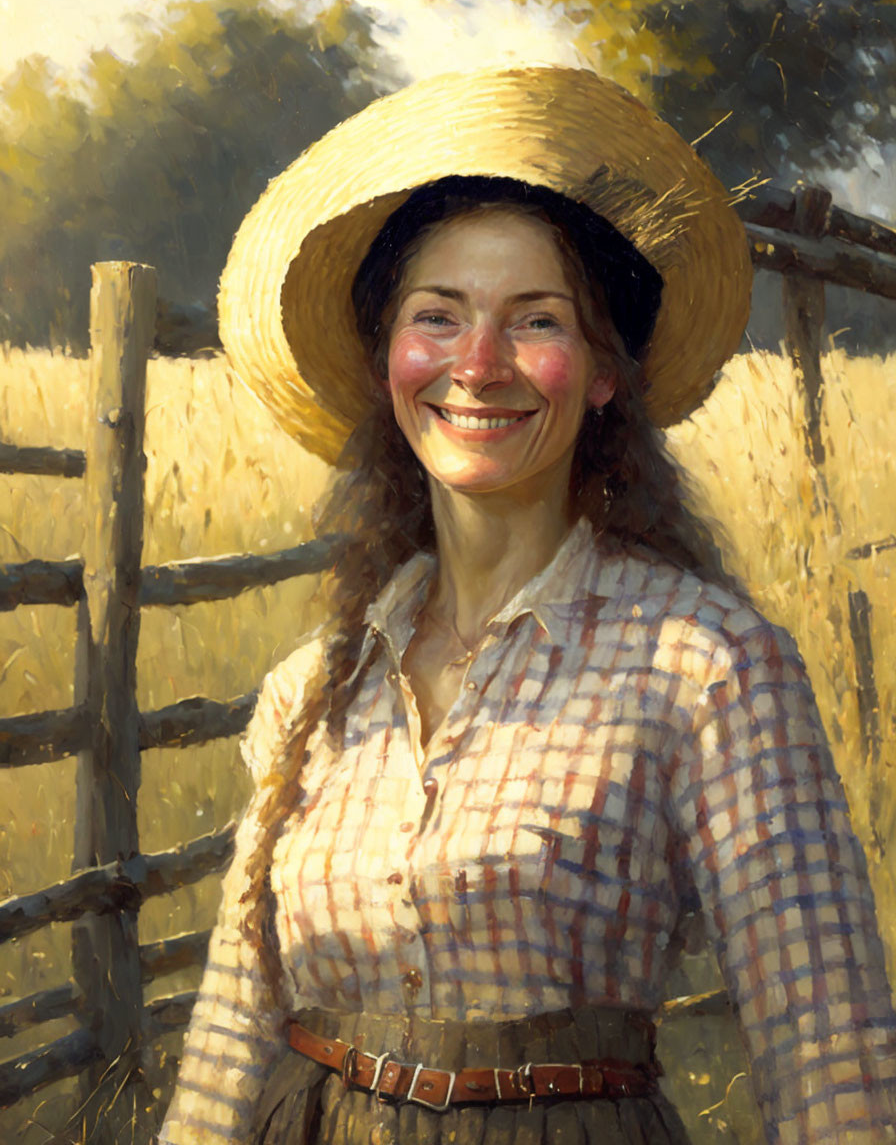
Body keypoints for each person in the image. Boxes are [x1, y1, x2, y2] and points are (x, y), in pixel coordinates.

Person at [159, 67, 896, 1144]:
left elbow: (833, 1063)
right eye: (438, 317)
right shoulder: (313, 687)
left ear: (602, 372)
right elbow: (230, 1045)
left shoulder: (705, 665)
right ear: (387, 363)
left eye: (533, 320)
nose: (478, 365)